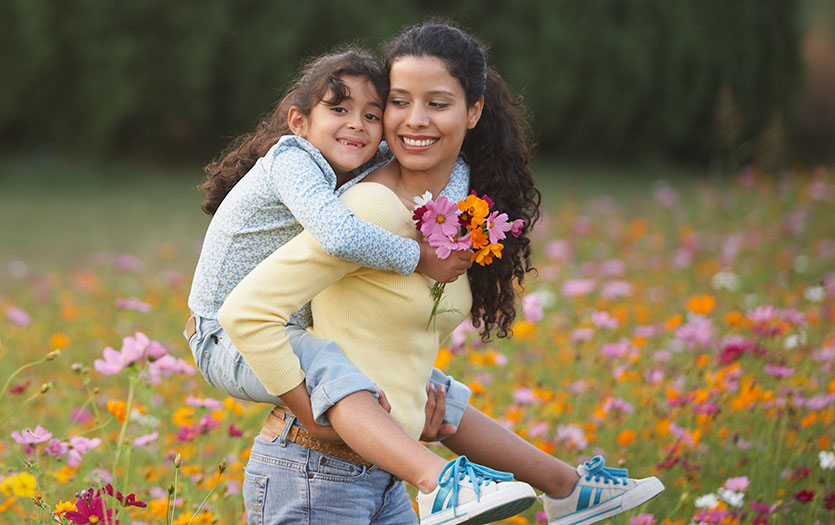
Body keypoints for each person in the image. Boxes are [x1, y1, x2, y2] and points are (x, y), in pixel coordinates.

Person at [219, 22, 664, 525]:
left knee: (443, 394)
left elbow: (388, 343)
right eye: (400, 101)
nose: (414, 120)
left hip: (386, 476)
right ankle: (478, 484)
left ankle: (565, 487)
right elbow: (247, 312)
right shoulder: (367, 210)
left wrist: (411, 411)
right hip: (314, 472)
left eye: (437, 103)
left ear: (474, 111)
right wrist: (309, 414)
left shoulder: (454, 213)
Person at [188, 48, 535, 524]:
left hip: (298, 356)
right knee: (333, 368)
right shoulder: (293, 159)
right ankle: (438, 481)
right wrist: (420, 257)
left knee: (425, 388)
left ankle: (566, 487)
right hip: (219, 335)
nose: (357, 124)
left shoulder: (360, 161)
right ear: (298, 121)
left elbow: (440, 163)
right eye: (338, 109)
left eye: (372, 115)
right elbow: (338, 234)